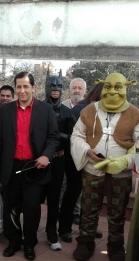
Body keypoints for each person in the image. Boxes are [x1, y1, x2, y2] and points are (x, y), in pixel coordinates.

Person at [0, 71, 59, 261]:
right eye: (18, 87)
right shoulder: (5, 111)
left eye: (25, 86)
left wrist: (46, 155)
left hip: (34, 168)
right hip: (10, 167)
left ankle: (29, 243)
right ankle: (13, 242)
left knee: (31, 208)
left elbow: (54, 137)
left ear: (33, 88)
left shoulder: (45, 110)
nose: (22, 90)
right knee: (10, 207)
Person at [71, 73, 139, 261]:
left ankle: (116, 246)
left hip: (121, 174)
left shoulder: (135, 113)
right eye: (108, 87)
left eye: (118, 87)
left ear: (126, 88)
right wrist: (86, 151)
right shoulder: (89, 110)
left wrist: (125, 161)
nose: (112, 91)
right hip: (93, 169)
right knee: (89, 208)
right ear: (102, 87)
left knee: (117, 211)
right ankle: (85, 242)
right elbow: (77, 135)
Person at [59, 83, 104, 244]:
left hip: (92, 159)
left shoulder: (101, 111)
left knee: (90, 194)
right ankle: (64, 229)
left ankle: (88, 227)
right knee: (73, 192)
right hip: (75, 159)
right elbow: (72, 136)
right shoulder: (80, 110)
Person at [41, 69, 76, 250]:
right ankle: (29, 230)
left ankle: (51, 232)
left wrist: (55, 136)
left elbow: (72, 137)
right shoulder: (38, 108)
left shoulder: (67, 112)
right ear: (46, 87)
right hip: (39, 160)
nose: (55, 89)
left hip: (58, 159)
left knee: (54, 199)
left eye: (59, 86)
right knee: (33, 198)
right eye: (52, 86)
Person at [61, 77, 87, 225]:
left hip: (80, 153)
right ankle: (61, 211)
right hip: (63, 153)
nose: (76, 90)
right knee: (63, 184)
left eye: (80, 88)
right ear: (69, 89)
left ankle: (75, 213)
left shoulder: (88, 109)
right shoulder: (62, 106)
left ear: (85, 91)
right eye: (74, 87)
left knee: (76, 185)